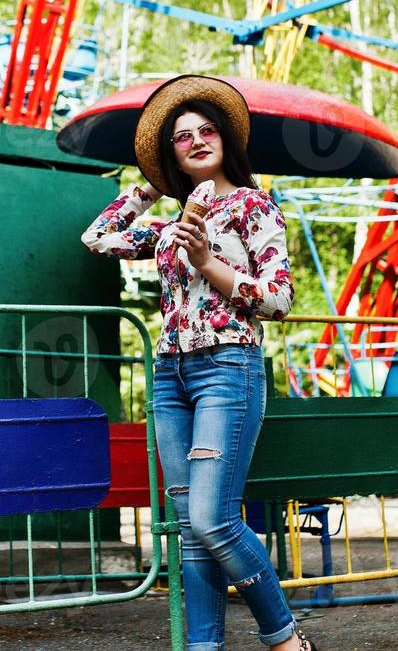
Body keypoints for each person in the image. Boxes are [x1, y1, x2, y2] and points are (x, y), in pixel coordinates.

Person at [81, 75, 317, 651]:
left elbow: (280, 300)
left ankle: (285, 640)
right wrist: (149, 190)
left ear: (226, 140)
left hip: (227, 369)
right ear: (172, 156)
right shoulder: (167, 230)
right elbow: (97, 238)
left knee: (213, 520)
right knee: (189, 533)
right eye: (180, 137)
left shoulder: (254, 207)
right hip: (170, 379)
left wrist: (209, 260)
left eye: (206, 129)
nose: (195, 140)